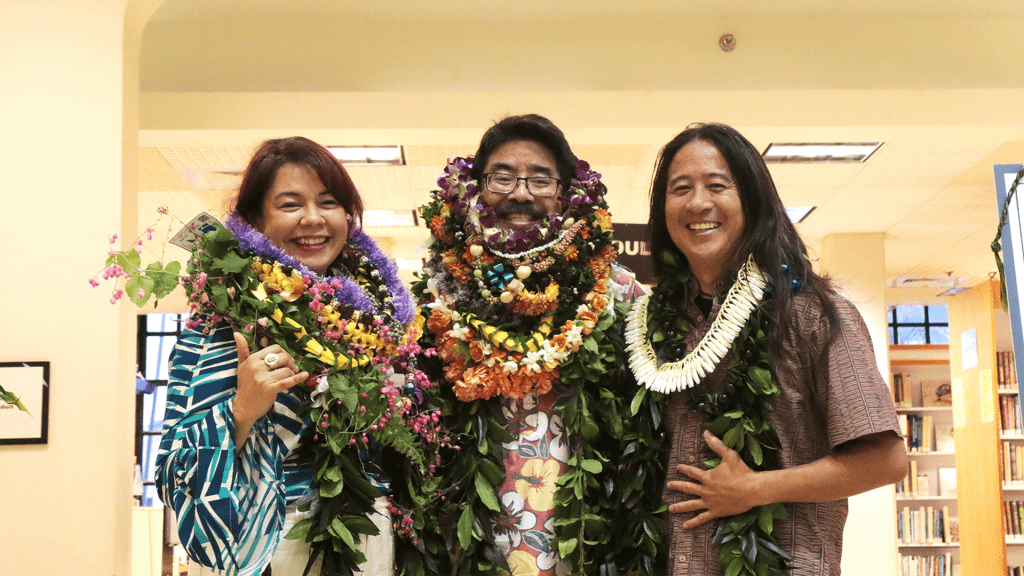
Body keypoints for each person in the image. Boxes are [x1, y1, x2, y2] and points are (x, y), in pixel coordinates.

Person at [627, 123, 908, 576]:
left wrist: (755, 488)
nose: (698, 203)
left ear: (754, 202)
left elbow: (886, 460)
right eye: (681, 189)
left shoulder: (815, 314)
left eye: (718, 185)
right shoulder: (651, 327)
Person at [156, 137, 441, 576]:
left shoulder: (380, 326)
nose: (313, 219)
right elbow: (176, 463)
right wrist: (242, 412)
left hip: (372, 535)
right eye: (290, 205)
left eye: (328, 202)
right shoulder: (222, 319)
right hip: (271, 538)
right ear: (255, 220)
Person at [413, 114, 666, 576]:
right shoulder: (437, 295)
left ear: (567, 194)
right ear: (475, 190)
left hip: (589, 543)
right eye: (502, 177)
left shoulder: (618, 295)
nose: (521, 193)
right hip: (467, 545)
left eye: (540, 179)